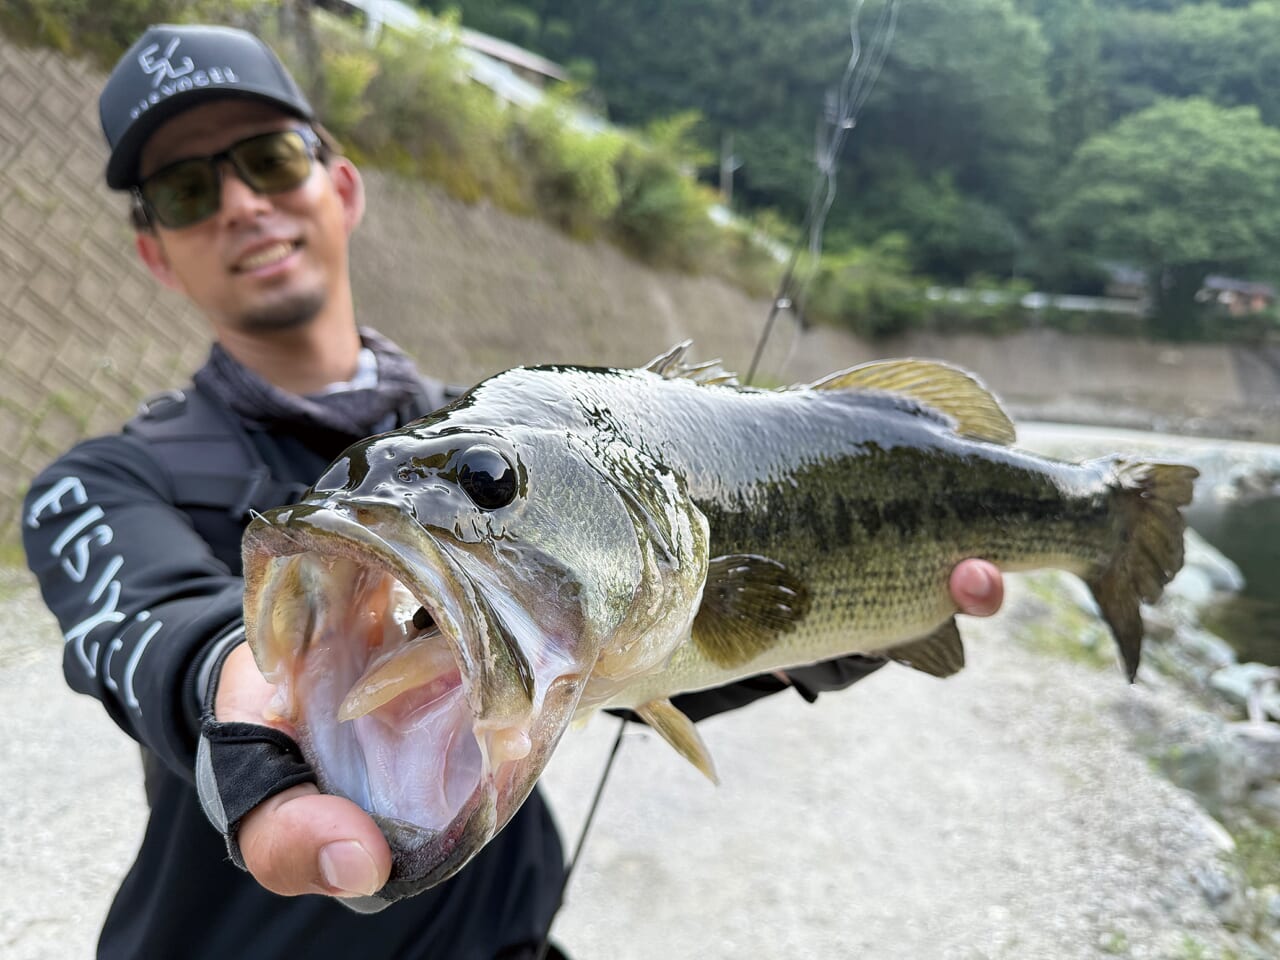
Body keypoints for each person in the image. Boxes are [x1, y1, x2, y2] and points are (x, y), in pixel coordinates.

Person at [20, 22, 1005, 960]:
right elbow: (152, 626)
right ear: (152, 249)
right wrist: (235, 675)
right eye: (188, 189)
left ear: (342, 185)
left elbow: (631, 646)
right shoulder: (100, 485)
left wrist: (830, 628)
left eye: (271, 161)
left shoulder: (514, 445)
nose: (241, 204)